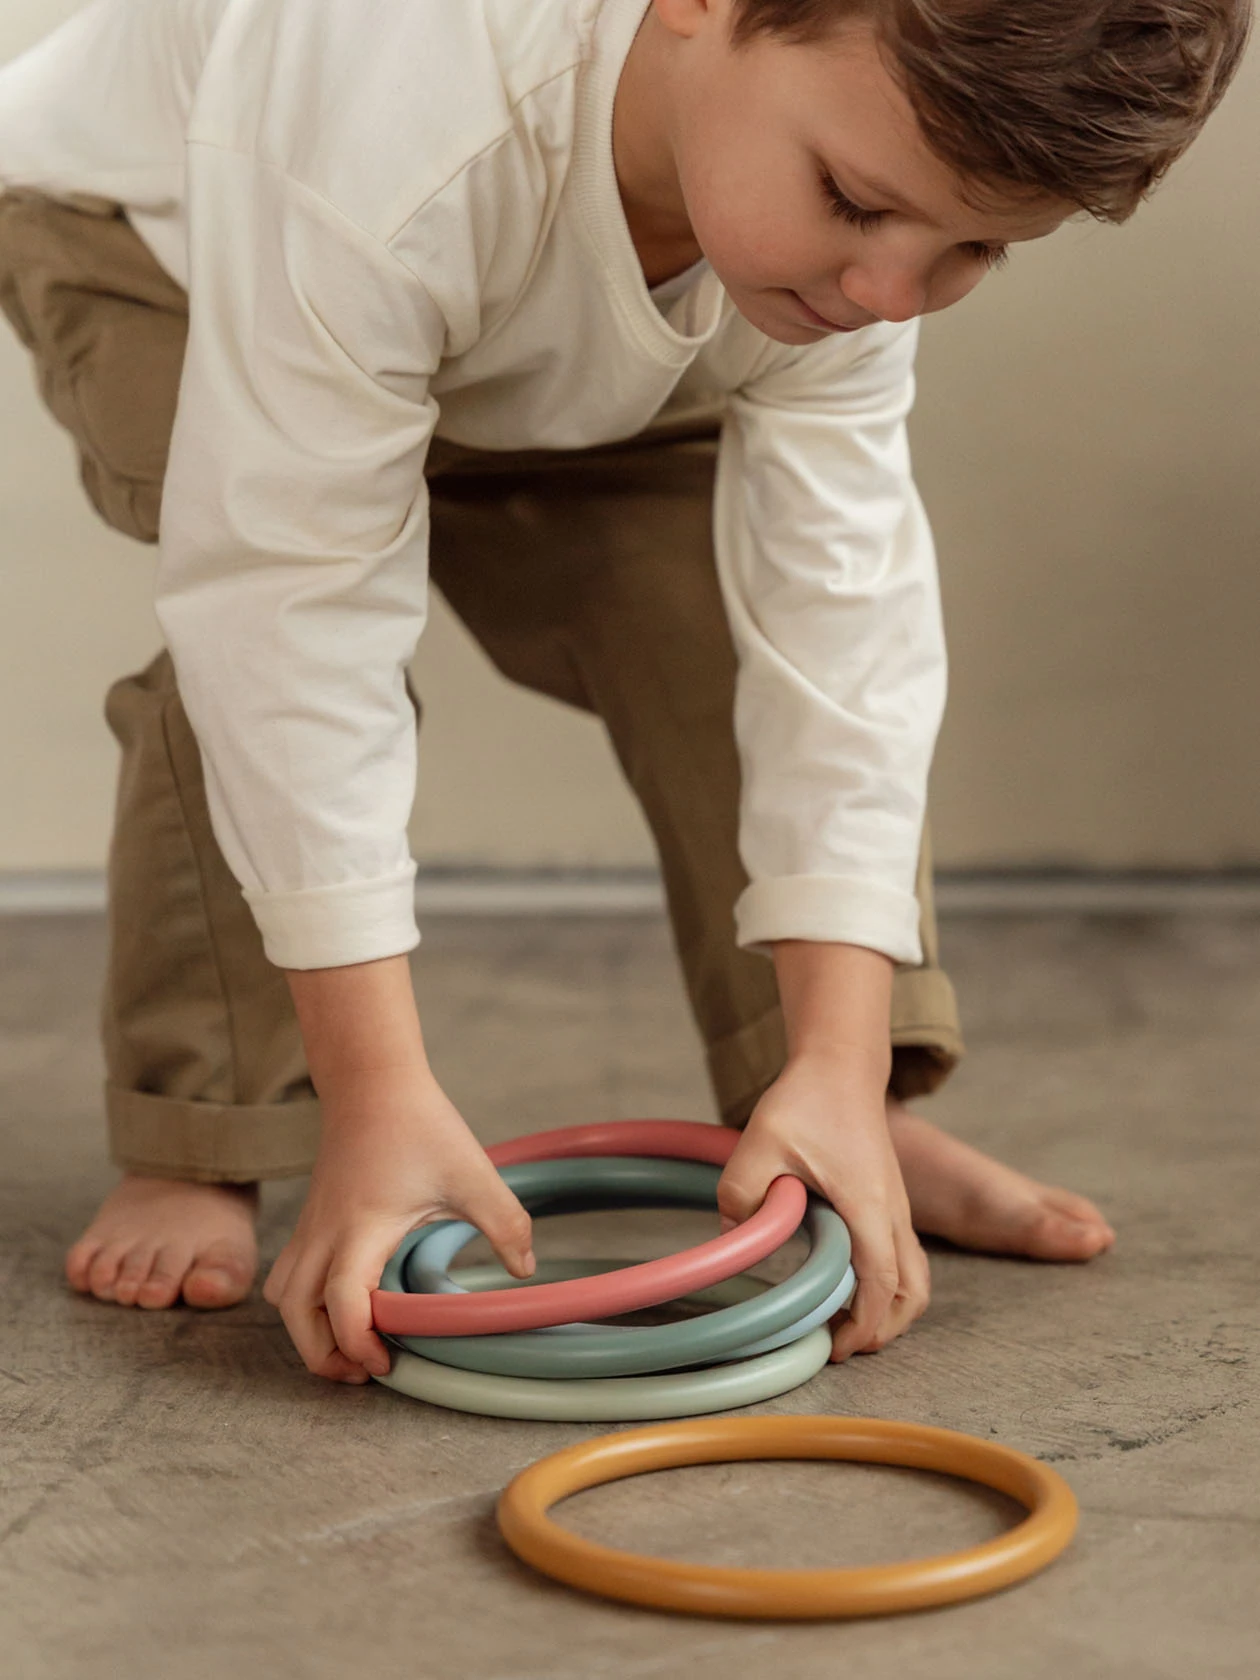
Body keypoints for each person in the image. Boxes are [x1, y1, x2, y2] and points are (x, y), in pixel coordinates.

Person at [0, 0, 1243, 1384]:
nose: (892, 293)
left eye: (974, 249)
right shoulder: (389, 110)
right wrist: (383, 1095)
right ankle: (203, 1135)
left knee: (724, 622)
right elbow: (286, 611)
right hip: (170, 243)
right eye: (857, 202)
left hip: (558, 304)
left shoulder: (837, 223)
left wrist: (837, 1055)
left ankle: (832, 1099)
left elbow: (837, 622)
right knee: (249, 656)